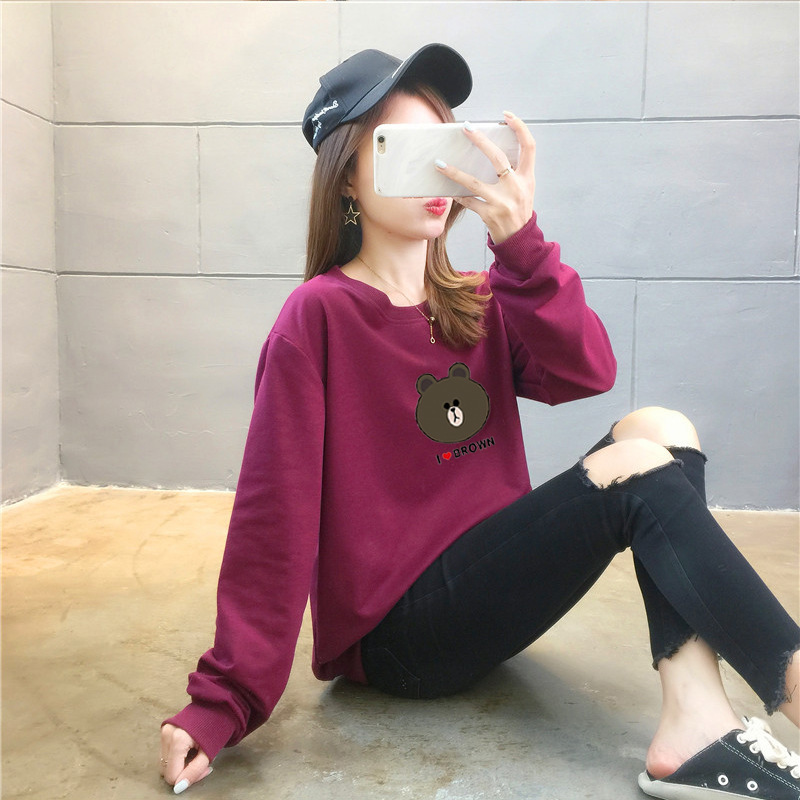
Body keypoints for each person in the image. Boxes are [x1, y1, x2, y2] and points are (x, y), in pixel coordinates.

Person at [160, 44, 800, 798]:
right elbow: (274, 516)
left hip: (484, 593)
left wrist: (523, 249)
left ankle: (694, 716)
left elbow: (584, 372)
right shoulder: (319, 316)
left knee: (661, 427)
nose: (437, 173)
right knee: (633, 474)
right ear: (347, 179)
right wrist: (224, 701)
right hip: (399, 638)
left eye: (447, 147)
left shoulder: (477, 299)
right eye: (404, 150)